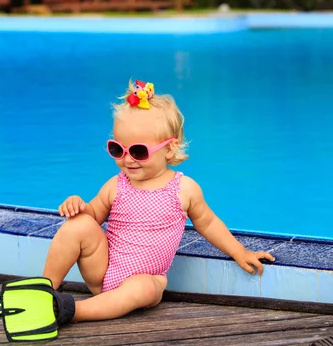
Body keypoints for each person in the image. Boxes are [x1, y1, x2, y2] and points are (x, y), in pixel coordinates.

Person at [43, 80, 276, 324]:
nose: (128, 159)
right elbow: (91, 217)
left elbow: (207, 222)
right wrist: (77, 205)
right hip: (102, 271)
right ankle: (44, 289)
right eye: (117, 149)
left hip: (144, 279)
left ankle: (71, 311)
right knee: (78, 223)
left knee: (146, 288)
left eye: (139, 151)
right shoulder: (117, 184)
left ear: (169, 149)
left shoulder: (184, 189)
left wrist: (239, 252)